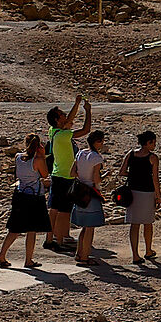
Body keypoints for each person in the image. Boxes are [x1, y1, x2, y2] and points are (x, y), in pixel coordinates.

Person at [45, 95, 94, 252]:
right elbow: (86, 130)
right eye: (62, 115)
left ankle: (50, 239)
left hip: (57, 174)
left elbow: (68, 121)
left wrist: (77, 104)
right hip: (67, 176)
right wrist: (88, 111)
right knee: (64, 210)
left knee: (54, 208)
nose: (66, 116)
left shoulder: (53, 131)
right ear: (57, 119)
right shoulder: (63, 135)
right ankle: (60, 241)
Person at [0, 135, 49, 269]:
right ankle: (28, 259)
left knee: (15, 228)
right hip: (34, 196)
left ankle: (2, 254)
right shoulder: (38, 160)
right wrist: (43, 156)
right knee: (32, 230)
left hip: (20, 194)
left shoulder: (18, 157)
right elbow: (45, 175)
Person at [71, 129, 111, 265]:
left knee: (84, 226)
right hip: (91, 193)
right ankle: (85, 257)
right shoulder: (96, 157)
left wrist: (83, 177)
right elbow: (96, 179)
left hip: (79, 191)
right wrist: (104, 177)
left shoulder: (80, 153)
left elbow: (72, 172)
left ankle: (79, 253)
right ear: (97, 142)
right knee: (90, 228)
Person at [125, 130, 161, 262]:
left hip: (132, 192)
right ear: (147, 143)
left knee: (134, 225)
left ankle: (135, 255)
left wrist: (134, 175)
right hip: (147, 193)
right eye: (153, 142)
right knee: (148, 223)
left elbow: (122, 171)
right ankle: (148, 250)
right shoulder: (153, 158)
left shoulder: (131, 154)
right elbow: (155, 179)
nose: (154, 145)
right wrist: (158, 195)